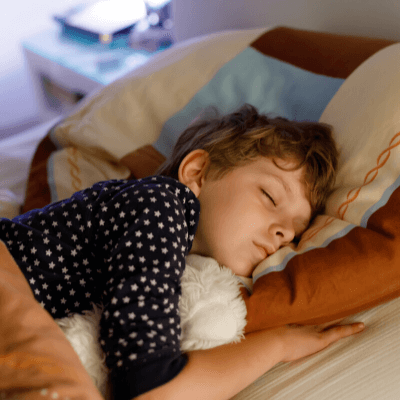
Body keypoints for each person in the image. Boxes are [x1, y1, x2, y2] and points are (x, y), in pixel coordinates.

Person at [0, 104, 365, 400]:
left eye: (294, 234)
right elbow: (152, 387)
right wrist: (280, 343)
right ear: (198, 171)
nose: (283, 232)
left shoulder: (183, 259)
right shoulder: (161, 205)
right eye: (270, 196)